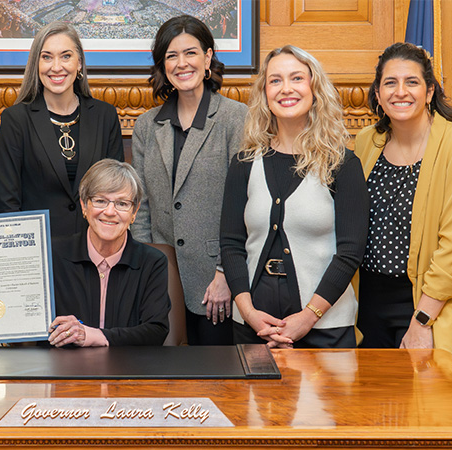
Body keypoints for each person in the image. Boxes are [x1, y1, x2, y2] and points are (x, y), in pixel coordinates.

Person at [219, 45, 368, 348]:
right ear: (264, 94)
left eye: (297, 78)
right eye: (275, 80)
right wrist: (249, 313)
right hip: (253, 327)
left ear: (314, 88)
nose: (286, 88)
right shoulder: (244, 163)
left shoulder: (342, 164)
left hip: (325, 327)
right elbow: (231, 243)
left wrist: (308, 318)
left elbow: (350, 252)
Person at [355, 42, 452, 363]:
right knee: (370, 411)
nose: (401, 92)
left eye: (411, 82)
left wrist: (422, 320)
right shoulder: (365, 143)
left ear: (429, 92)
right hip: (368, 306)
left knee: (427, 412)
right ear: (377, 93)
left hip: (431, 308)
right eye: (390, 83)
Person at [131, 15, 247, 345]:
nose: (182, 63)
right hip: (160, 278)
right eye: (171, 56)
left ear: (208, 58)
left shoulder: (235, 118)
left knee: (217, 382)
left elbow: (245, 203)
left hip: (216, 282)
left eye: (191, 53)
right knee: (163, 380)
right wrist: (144, 269)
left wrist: (227, 273)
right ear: (162, 65)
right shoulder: (146, 126)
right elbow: (140, 208)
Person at [0, 21, 124, 238]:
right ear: (36, 64)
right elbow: (5, 202)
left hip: (95, 251)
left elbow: (116, 193)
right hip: (37, 253)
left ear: (79, 63)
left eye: (66, 56)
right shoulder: (16, 120)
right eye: (46, 57)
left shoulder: (105, 116)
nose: (56, 66)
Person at [48, 159, 170, 347]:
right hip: (65, 370)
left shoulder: (152, 262)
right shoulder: (52, 256)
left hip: (129, 369)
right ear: (84, 205)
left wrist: (95, 335)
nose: (110, 211)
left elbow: (156, 331)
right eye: (100, 201)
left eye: (122, 203)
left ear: (134, 212)